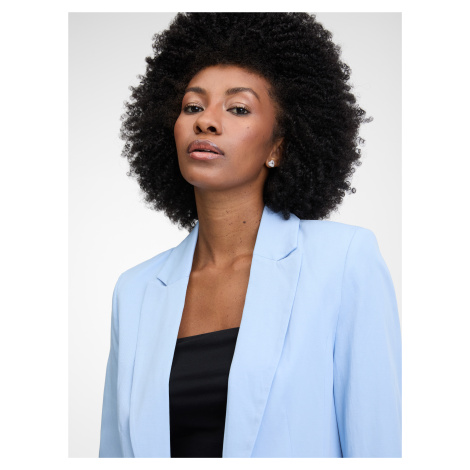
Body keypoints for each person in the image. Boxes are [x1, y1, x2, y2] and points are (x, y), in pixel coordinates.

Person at [99, 13, 401, 458]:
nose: (207, 121)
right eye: (193, 106)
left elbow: (378, 446)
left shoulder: (342, 262)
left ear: (278, 145)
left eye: (238, 108)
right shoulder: (135, 291)